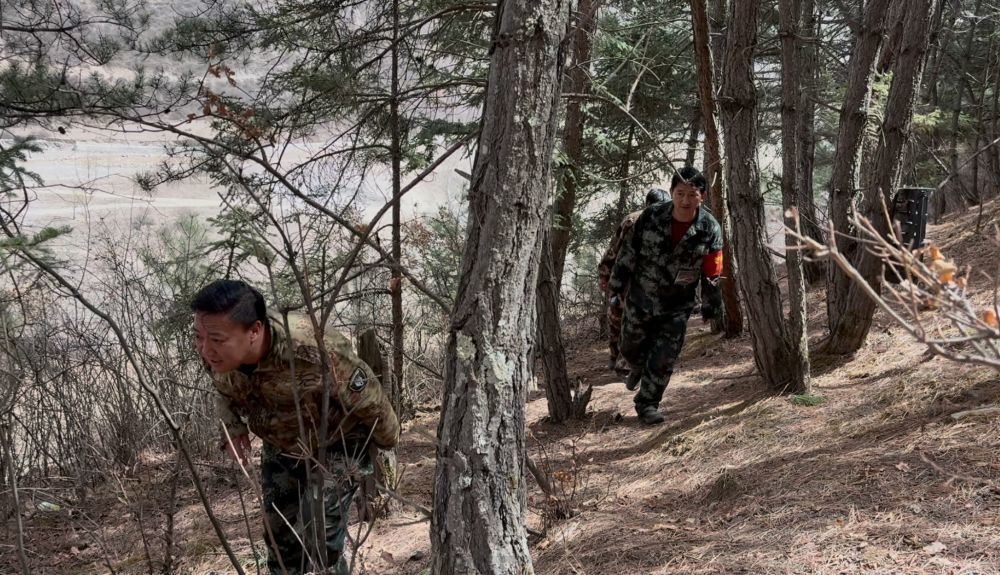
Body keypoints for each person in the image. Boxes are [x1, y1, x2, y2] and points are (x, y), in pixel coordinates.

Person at [191, 279, 399, 575]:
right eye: (199, 337)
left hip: (340, 440)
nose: (205, 349)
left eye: (216, 339)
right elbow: (222, 388)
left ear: (254, 331)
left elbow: (370, 398)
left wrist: (387, 445)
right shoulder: (217, 354)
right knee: (280, 541)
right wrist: (233, 426)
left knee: (319, 535)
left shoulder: (311, 349)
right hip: (283, 443)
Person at [608, 166, 724, 425]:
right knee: (629, 345)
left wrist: (711, 301)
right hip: (640, 298)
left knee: (664, 357)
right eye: (680, 193)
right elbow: (628, 251)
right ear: (671, 193)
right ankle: (638, 367)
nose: (685, 200)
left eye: (692, 194)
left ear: (702, 197)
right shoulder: (650, 217)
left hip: (677, 304)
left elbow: (712, 269)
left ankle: (647, 404)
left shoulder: (710, 228)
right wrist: (616, 285)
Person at [597, 188, 669, 372]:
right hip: (631, 278)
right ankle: (622, 361)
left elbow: (613, 249)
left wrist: (604, 272)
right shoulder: (636, 220)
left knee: (621, 318)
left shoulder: (639, 219)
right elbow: (616, 247)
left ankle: (623, 360)